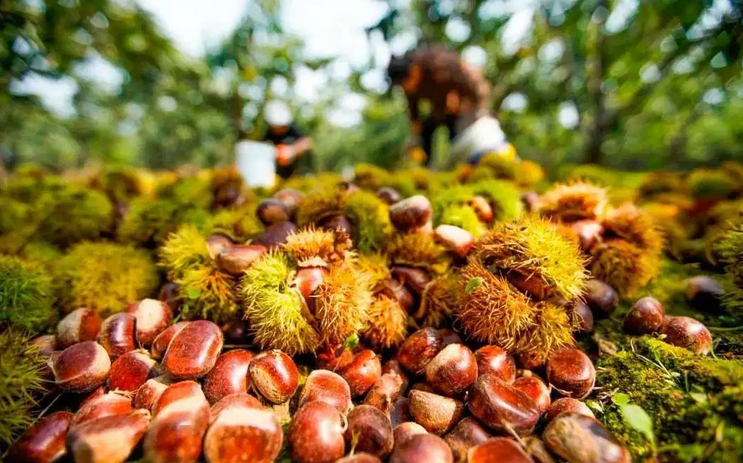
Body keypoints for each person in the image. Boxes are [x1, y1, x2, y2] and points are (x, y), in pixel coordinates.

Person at [388, 43, 515, 167]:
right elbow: (414, 114)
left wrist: (463, 101)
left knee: (465, 133)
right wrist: (415, 138)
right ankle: (427, 168)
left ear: (414, 70)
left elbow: (469, 81)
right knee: (427, 129)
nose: (407, 88)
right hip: (442, 109)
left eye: (406, 83)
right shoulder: (410, 89)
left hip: (467, 100)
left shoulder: (436, 62)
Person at [261, 100, 314, 179]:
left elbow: (308, 142)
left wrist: (292, 150)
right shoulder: (268, 132)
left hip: (296, 170)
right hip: (278, 173)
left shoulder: (292, 127)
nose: (281, 128)